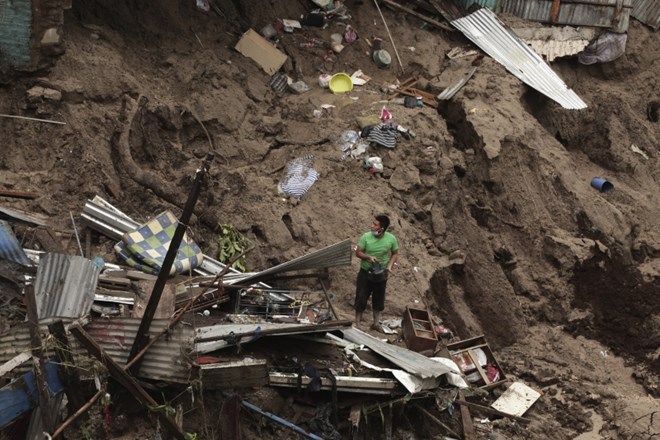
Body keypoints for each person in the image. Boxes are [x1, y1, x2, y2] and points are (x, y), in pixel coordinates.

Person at [354, 214, 399, 331]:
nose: (372, 226)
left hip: (381, 273)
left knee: (379, 299)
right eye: (372, 223)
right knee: (361, 297)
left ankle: (376, 323)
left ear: (381, 229)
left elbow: (395, 253)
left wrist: (389, 266)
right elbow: (358, 252)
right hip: (365, 272)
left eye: (375, 225)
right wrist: (368, 257)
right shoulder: (365, 237)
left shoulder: (391, 239)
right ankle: (357, 322)